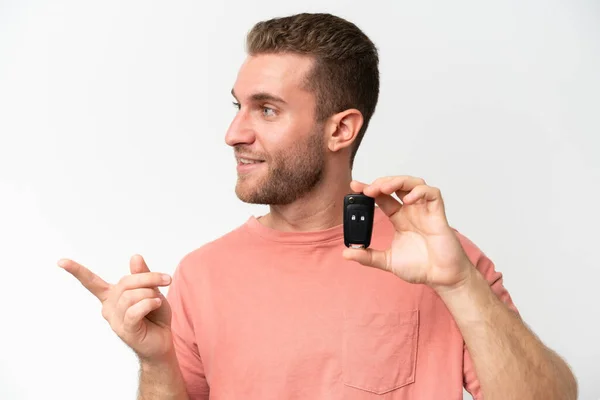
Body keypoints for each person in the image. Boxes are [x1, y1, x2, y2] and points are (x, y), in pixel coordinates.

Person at [59, 12, 577, 400]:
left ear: (341, 129)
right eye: (238, 107)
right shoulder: (201, 275)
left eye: (266, 109)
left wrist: (462, 285)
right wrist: (155, 362)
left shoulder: (440, 260)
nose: (233, 134)